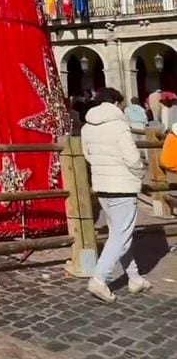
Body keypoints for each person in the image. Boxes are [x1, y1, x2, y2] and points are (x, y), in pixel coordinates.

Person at [81, 87, 150, 303]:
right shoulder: (119, 126)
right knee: (121, 235)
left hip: (102, 184)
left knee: (118, 234)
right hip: (123, 185)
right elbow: (132, 158)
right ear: (116, 103)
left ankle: (134, 277)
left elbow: (88, 155)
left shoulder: (87, 127)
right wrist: (139, 171)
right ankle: (99, 279)